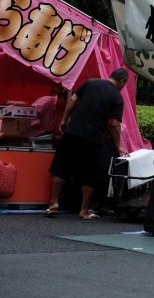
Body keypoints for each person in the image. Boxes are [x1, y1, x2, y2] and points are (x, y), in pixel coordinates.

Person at [44, 68, 130, 219]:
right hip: (93, 138)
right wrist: (118, 146)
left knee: (61, 168)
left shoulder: (90, 83)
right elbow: (115, 124)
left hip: (73, 132)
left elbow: (72, 100)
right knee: (89, 174)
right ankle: (84, 210)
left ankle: (53, 203)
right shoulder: (117, 97)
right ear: (122, 81)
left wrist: (64, 120)